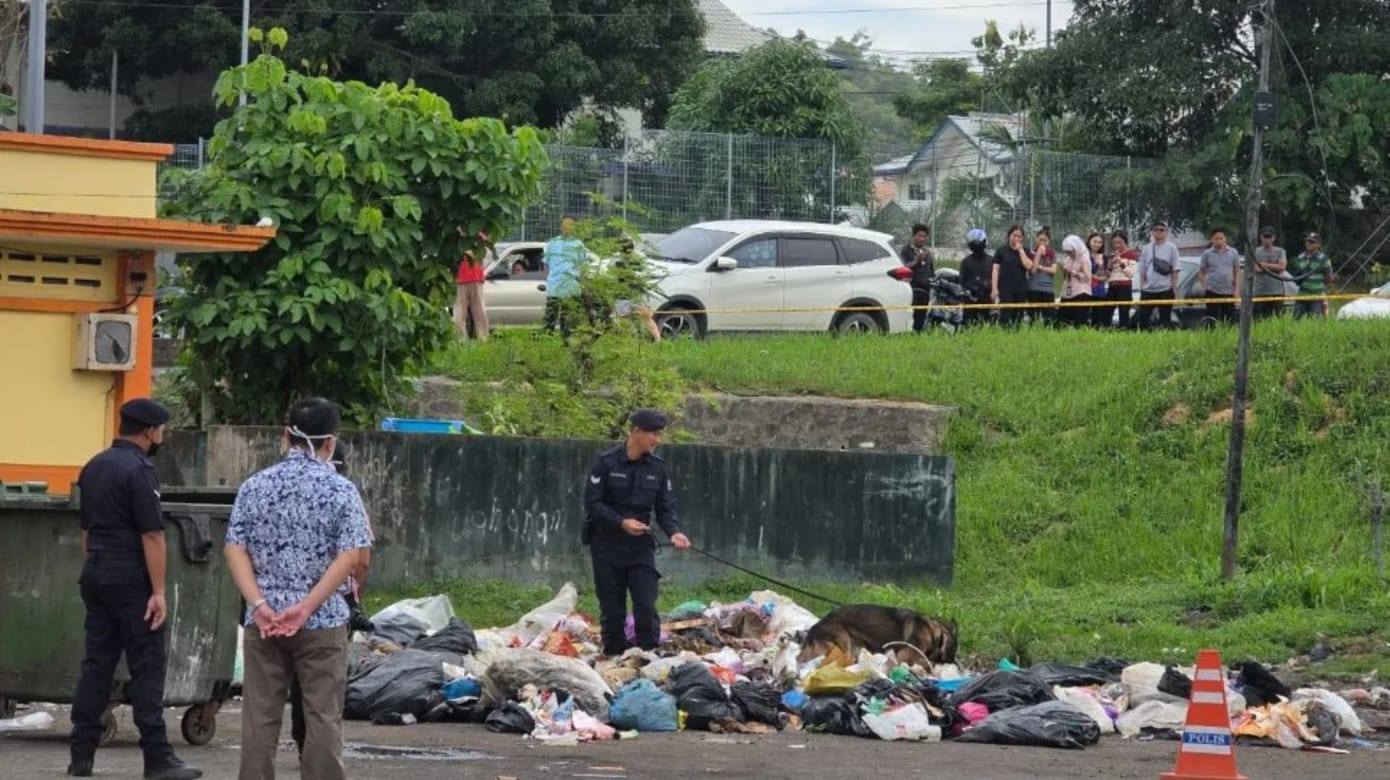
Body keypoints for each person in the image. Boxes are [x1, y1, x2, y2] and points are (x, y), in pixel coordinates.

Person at [224, 398, 373, 780]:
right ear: (330, 443)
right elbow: (351, 557)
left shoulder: (254, 487)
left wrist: (258, 604)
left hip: (265, 622)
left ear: (285, 436)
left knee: (260, 718)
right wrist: (307, 607)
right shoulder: (341, 491)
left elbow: (234, 548)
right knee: (322, 716)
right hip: (322, 623)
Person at [68, 399, 202, 780]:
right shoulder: (140, 470)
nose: (161, 436)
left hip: (96, 572)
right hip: (130, 578)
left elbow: (86, 530)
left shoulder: (94, 466)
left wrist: (96, 566)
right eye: (160, 429)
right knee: (147, 667)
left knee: (97, 665)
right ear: (149, 431)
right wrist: (158, 591)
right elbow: (152, 535)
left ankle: (81, 756)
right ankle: (157, 758)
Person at [582, 409, 691, 656]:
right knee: (612, 609)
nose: (658, 440)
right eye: (654, 433)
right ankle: (613, 656)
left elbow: (665, 507)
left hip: (640, 547)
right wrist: (621, 522)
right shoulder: (606, 462)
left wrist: (674, 532)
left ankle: (648, 656)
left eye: (660, 434)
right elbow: (593, 503)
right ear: (636, 432)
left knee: (645, 604)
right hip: (606, 546)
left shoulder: (658, 468)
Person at [543, 216, 589, 335]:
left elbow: (582, 267)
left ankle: (568, 346)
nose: (565, 227)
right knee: (549, 321)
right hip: (554, 288)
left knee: (568, 323)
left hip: (571, 289)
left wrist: (583, 286)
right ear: (560, 226)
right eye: (563, 224)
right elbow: (546, 264)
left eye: (569, 224)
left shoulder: (579, 245)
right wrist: (548, 280)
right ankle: (546, 344)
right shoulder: (553, 243)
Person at [1137, 220, 1180, 330]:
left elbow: (1175, 269)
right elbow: (1142, 270)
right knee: (1143, 320)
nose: (1159, 232)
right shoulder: (1146, 248)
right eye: (1156, 230)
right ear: (1152, 232)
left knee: (1165, 320)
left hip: (1165, 289)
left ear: (1166, 232)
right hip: (1148, 290)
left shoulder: (1172, 248)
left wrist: (1173, 288)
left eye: (1162, 230)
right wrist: (1142, 287)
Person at [453, 229, 491, 341]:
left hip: (476, 278)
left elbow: (487, 239)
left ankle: (483, 339)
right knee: (459, 314)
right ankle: (461, 341)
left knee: (480, 312)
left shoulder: (477, 228)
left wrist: (472, 233)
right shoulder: (455, 236)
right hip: (459, 279)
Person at [1198, 227, 1241, 325]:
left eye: (1221, 238)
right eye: (1216, 238)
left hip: (1229, 291)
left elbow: (1237, 272)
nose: (1219, 241)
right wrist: (1205, 287)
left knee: (1229, 320)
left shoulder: (1233, 252)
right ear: (1212, 239)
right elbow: (1201, 272)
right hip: (1212, 291)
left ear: (1225, 239)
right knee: (1212, 320)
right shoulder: (1207, 254)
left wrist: (1237, 289)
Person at [992, 225, 1032, 327]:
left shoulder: (1026, 250)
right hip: (1005, 289)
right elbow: (995, 270)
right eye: (1014, 235)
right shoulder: (1001, 251)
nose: (1017, 238)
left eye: (1019, 236)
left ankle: (1016, 336)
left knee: (1018, 316)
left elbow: (1029, 266)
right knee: (1005, 315)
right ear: (1009, 235)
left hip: (1021, 288)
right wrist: (994, 288)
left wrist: (1020, 250)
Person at [899, 224, 936, 333]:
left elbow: (932, 269)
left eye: (924, 236)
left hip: (926, 289)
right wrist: (916, 261)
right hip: (912, 288)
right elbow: (904, 267)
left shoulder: (927, 252)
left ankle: (920, 333)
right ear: (913, 236)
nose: (922, 239)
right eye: (919, 236)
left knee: (922, 314)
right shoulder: (906, 250)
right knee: (912, 314)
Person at [1290, 232, 1333, 319]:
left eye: (1312, 242)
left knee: (1315, 321)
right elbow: (1297, 275)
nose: (1309, 243)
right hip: (1302, 294)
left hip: (1316, 296)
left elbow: (1329, 278)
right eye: (1308, 241)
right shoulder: (1301, 257)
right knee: (1295, 320)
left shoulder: (1324, 259)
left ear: (1318, 244)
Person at [958, 228, 993, 327]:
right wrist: (970, 289)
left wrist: (987, 284)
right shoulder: (966, 261)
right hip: (970, 299)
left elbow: (997, 279)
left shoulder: (991, 261)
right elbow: (961, 281)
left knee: (986, 325)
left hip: (987, 298)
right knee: (968, 326)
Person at [1251, 226, 1288, 320]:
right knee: (1259, 320)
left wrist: (1263, 264)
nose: (1267, 239)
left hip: (1277, 291)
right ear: (1261, 237)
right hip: (1260, 292)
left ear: (1274, 238)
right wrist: (1274, 266)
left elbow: (1282, 267)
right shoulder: (1255, 251)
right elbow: (1255, 268)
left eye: (1269, 237)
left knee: (1280, 319)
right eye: (1265, 236)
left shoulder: (1280, 251)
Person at [1105, 231, 1139, 329]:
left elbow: (1130, 274)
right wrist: (1110, 264)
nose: (1117, 245)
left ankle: (1124, 331)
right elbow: (1107, 274)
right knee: (1107, 311)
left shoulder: (1131, 254)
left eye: (1120, 242)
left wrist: (1121, 262)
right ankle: (1106, 330)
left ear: (1125, 242)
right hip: (1112, 285)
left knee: (1123, 312)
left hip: (1125, 286)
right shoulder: (1110, 255)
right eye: (1114, 243)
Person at [1058, 234, 1092, 327]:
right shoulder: (1068, 259)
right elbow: (1066, 277)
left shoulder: (1084, 258)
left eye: (1070, 252)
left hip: (1081, 293)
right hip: (1068, 292)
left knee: (1080, 322)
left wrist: (1074, 272)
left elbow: (1087, 277)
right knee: (1061, 321)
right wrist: (1064, 270)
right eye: (1067, 252)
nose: (1069, 254)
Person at [1026, 228, 1058, 325]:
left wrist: (1040, 266)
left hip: (1048, 289)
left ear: (1049, 241)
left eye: (1045, 240)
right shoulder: (1031, 253)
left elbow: (1054, 270)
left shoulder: (1052, 254)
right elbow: (1033, 270)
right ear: (1036, 240)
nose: (1042, 242)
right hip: (1033, 288)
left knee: (1048, 317)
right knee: (1033, 317)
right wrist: (1039, 254)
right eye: (1040, 240)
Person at [1086, 233, 1109, 328]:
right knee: (1085, 315)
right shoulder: (1084, 256)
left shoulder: (1104, 257)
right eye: (1094, 241)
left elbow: (1105, 276)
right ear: (1089, 242)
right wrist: (1098, 278)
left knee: (1098, 317)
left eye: (1100, 242)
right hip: (1086, 289)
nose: (1097, 244)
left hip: (1099, 290)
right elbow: (1084, 273)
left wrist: (1100, 266)